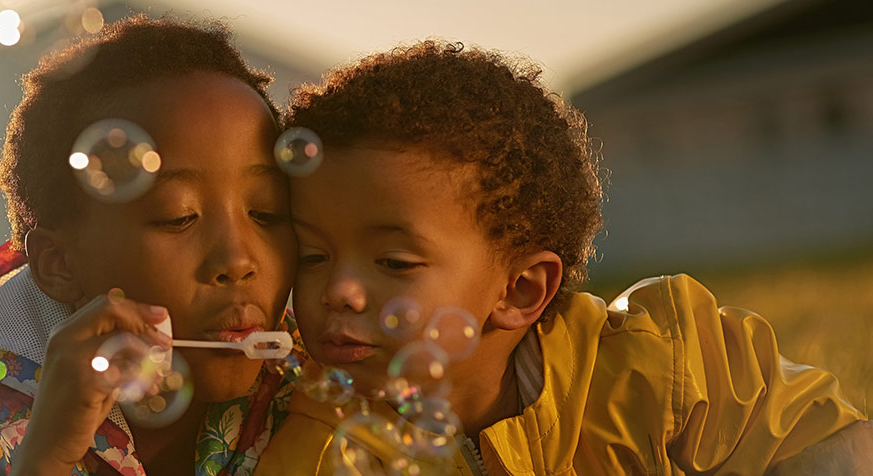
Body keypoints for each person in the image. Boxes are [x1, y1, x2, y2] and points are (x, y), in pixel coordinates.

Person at [257, 40, 870, 475]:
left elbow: (826, 449)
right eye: (313, 255)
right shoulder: (316, 452)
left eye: (393, 262)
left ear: (521, 290)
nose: (339, 291)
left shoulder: (668, 368)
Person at [0, 14, 301, 476]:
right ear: (59, 264)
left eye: (267, 212)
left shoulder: (307, 377)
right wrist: (44, 459)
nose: (237, 260)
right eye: (179, 217)